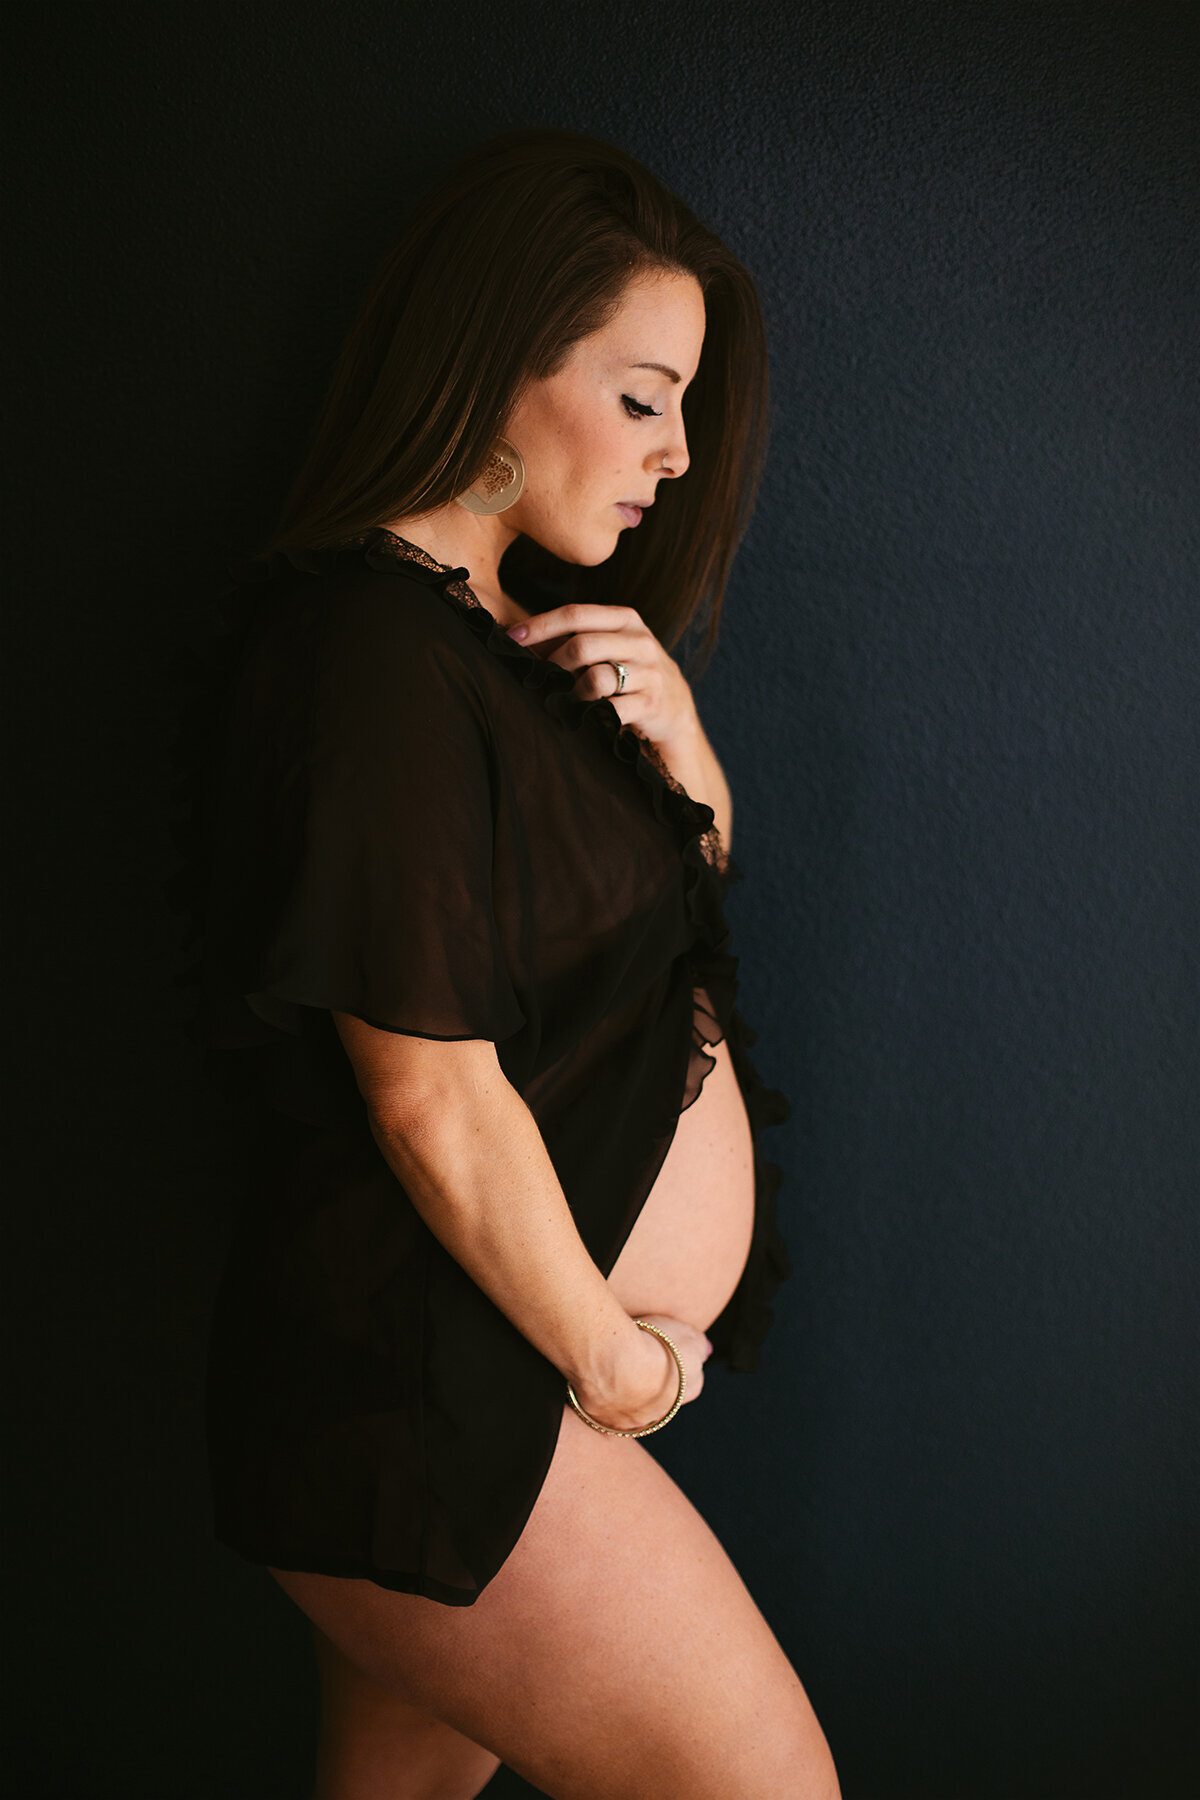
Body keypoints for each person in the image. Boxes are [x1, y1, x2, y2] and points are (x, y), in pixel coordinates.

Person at [191, 128, 840, 1799]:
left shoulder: (505, 646)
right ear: (495, 361)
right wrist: (611, 1358)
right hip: (446, 1391)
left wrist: (690, 776)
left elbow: (620, 978)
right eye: (641, 397)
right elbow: (425, 1086)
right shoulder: (371, 650)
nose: (679, 453)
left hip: (480, 1378)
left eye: (687, 407)